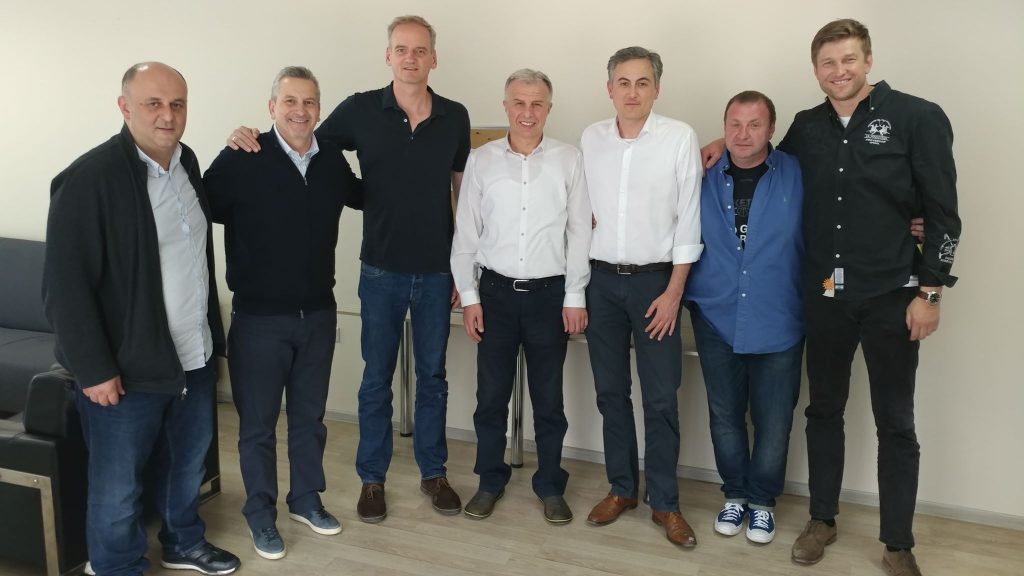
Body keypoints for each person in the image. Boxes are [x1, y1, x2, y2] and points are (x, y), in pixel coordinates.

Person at [704, 19, 961, 576]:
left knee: (895, 421)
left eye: (848, 60)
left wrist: (931, 291)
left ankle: (897, 542)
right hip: (825, 296)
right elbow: (767, 164)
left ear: (867, 60)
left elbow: (944, 214)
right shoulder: (806, 127)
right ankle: (822, 520)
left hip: (894, 294)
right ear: (816, 70)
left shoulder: (917, 117)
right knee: (823, 411)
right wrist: (722, 145)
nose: (838, 71)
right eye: (827, 63)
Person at [227, 15, 471, 523]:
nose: (410, 58)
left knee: (433, 377)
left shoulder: (454, 116)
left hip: (436, 272)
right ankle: (372, 479)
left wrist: (463, 268)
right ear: (388, 56)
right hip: (380, 271)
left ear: (433, 58)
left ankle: (434, 473)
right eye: (401, 49)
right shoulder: (360, 109)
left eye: (419, 50)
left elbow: (462, 194)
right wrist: (251, 135)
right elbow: (302, 141)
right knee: (375, 379)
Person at [43, 62, 240, 576]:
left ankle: (182, 542)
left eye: (177, 104)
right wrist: (93, 369)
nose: (167, 115)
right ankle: (115, 566)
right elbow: (64, 287)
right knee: (117, 486)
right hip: (126, 368)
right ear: (124, 106)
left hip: (192, 355)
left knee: (186, 464)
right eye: (153, 103)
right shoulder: (89, 179)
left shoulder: (186, 162)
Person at [203, 66, 361, 560]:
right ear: (271, 107)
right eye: (290, 101)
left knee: (310, 419)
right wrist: (230, 139)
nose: (300, 110)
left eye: (309, 102)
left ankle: (306, 500)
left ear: (319, 109)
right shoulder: (242, 156)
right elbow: (197, 205)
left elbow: (368, 196)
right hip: (258, 320)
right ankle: (260, 514)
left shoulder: (331, 159)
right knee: (257, 427)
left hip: (318, 315)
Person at [450, 69, 591, 523]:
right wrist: (470, 297)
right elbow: (467, 233)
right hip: (494, 295)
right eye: (519, 103)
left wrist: (575, 295)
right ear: (506, 106)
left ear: (548, 108)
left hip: (550, 297)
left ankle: (550, 485)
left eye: (537, 104)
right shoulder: (482, 160)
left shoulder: (570, 160)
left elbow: (580, 232)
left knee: (548, 401)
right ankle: (489, 481)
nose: (527, 112)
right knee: (491, 398)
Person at [581, 47, 702, 548]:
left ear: (657, 88)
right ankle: (622, 489)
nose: (632, 92)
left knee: (660, 396)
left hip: (657, 285)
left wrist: (674, 292)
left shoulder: (679, 138)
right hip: (601, 283)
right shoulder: (591, 139)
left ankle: (665, 502)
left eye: (643, 82)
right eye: (624, 82)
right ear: (610, 88)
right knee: (610, 393)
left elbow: (689, 219)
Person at [684, 91, 804, 545]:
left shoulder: (798, 172)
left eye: (754, 125)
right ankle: (734, 494)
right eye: (734, 124)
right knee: (725, 415)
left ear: (771, 129)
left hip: (780, 316)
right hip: (716, 314)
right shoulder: (702, 172)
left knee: (774, 420)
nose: (743, 134)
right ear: (723, 127)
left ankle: (762, 502)